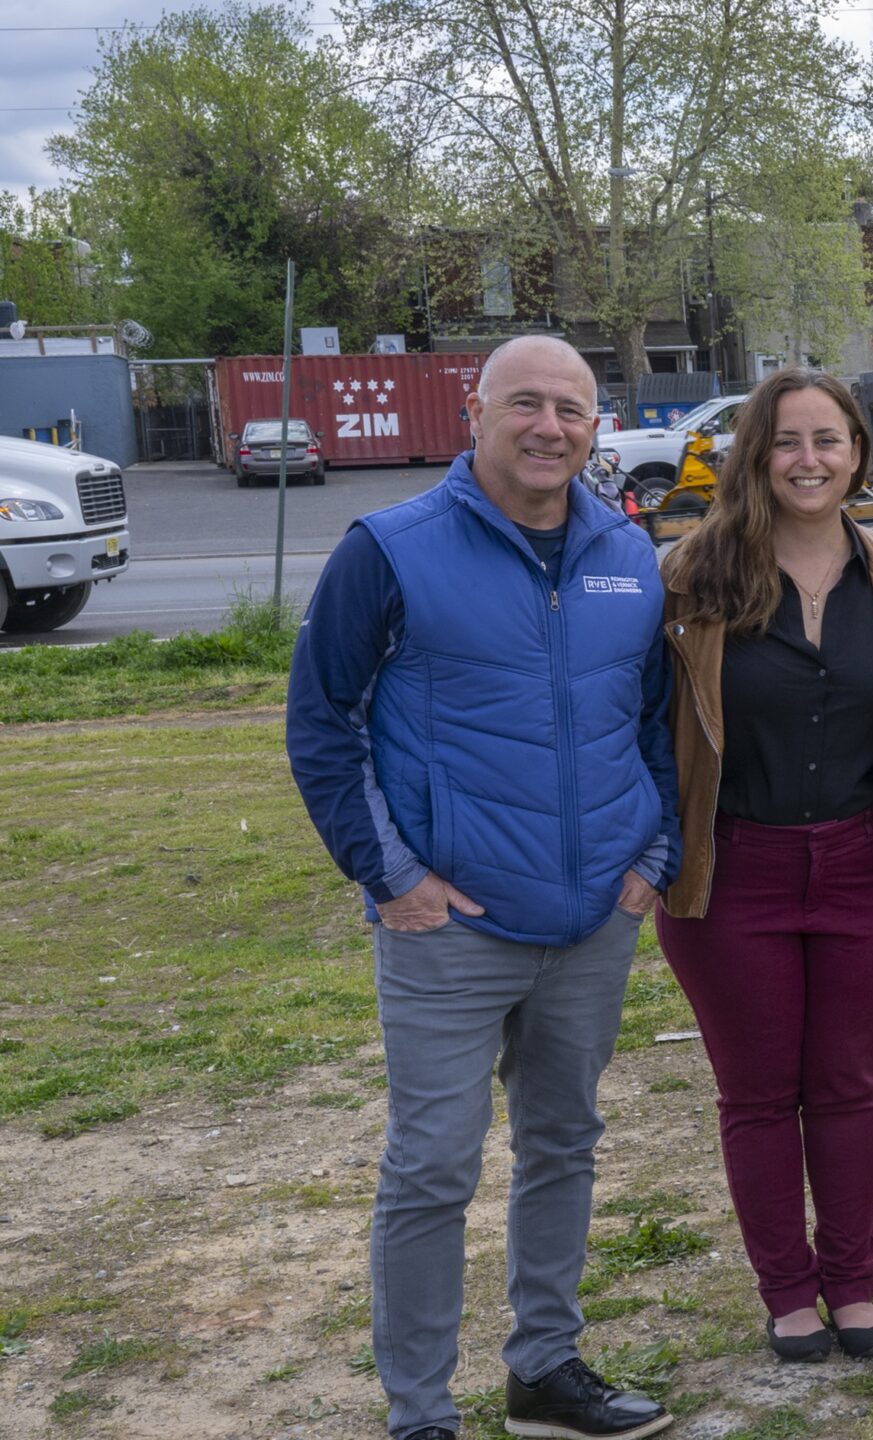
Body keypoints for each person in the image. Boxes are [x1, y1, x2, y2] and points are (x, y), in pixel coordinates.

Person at [286, 334, 680, 1440]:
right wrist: (391, 874)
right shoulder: (392, 549)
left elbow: (658, 724)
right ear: (475, 411)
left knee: (564, 1143)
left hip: (593, 921)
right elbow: (322, 723)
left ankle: (544, 1369)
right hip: (450, 927)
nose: (550, 427)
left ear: (595, 425)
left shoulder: (627, 552)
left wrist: (654, 859)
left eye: (572, 408)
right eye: (527, 405)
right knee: (432, 1170)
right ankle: (420, 1414)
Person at [654, 367, 873, 1360]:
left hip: (866, 868)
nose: (809, 460)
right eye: (787, 441)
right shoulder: (689, 578)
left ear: (858, 452)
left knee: (849, 1083)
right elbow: (647, 728)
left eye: (828, 440)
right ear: (755, 456)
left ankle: (852, 1288)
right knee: (760, 1091)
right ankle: (787, 1293)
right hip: (734, 873)